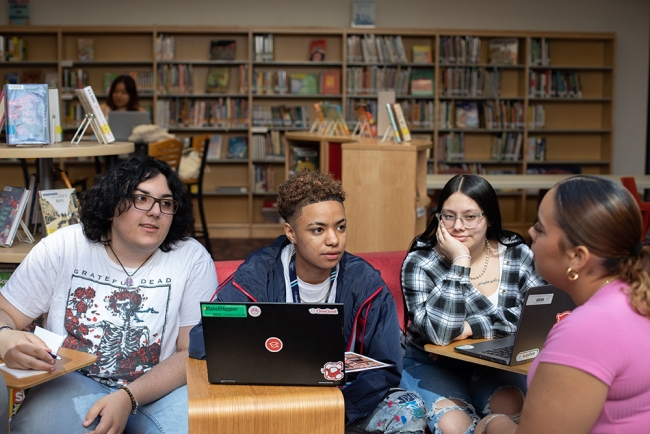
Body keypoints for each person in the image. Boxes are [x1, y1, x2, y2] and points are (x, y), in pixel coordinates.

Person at [188, 169, 427, 433]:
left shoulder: (366, 283)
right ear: (291, 232)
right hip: (273, 404)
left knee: (409, 409)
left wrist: (333, 409)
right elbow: (201, 341)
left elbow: (386, 367)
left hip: (344, 403)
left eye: (341, 226)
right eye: (318, 230)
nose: (334, 239)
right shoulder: (258, 273)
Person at [0, 157, 218, 434]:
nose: (155, 212)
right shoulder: (63, 246)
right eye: (141, 198)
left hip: (158, 387)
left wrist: (128, 397)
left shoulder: (192, 257)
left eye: (165, 203)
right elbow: (5, 311)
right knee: (39, 427)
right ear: (111, 205)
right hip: (73, 380)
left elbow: (192, 352)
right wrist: (5, 335)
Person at [476, 175, 650, 434]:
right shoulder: (634, 296)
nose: (531, 232)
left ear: (577, 257)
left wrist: (491, 424)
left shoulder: (589, 328)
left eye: (541, 228)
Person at [400, 174, 546, 434]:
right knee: (453, 425)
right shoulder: (421, 261)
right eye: (448, 216)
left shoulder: (517, 253)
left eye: (470, 216)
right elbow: (441, 334)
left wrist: (470, 327)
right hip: (432, 363)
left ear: (488, 217)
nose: (458, 226)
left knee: (512, 408)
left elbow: (535, 319)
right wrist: (460, 262)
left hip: (496, 363)